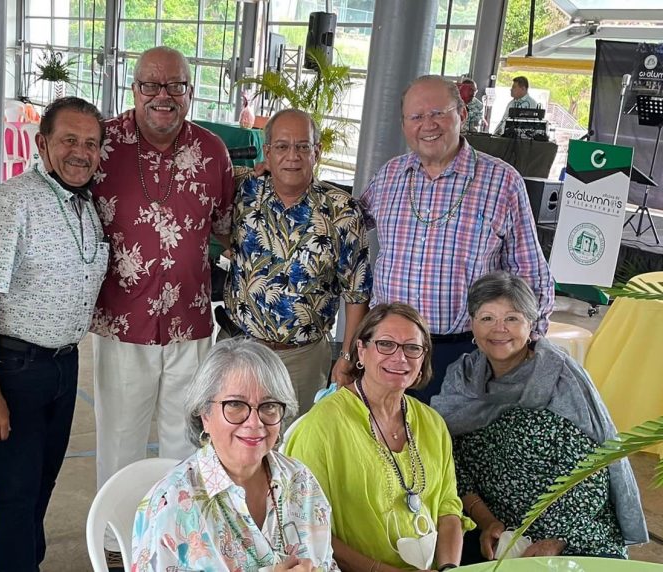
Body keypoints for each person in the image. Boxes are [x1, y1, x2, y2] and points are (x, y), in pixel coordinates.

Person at [90, 45, 234, 566]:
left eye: (174, 85)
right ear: (134, 89)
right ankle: (114, 545)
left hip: (192, 322)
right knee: (120, 439)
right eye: (151, 84)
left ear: (190, 91)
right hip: (120, 319)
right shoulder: (103, 144)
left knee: (186, 442)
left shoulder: (214, 151)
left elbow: (226, 227)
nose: (163, 96)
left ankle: (175, 545)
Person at [0, 96, 109, 571]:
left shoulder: (88, 207)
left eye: (91, 143)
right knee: (17, 497)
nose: (80, 152)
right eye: (69, 140)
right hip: (17, 370)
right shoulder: (10, 204)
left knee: (41, 487)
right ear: (42, 143)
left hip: (65, 366)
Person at [359, 74, 553, 403]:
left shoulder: (502, 181)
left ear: (462, 114)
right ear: (404, 124)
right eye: (416, 117)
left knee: (455, 449)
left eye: (438, 113)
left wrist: (525, 348)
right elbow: (344, 222)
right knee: (382, 444)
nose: (428, 125)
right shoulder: (389, 175)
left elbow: (530, 274)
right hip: (390, 351)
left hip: (464, 353)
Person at [431, 271, 647, 564]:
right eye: (487, 318)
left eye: (512, 318)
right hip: (494, 531)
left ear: (531, 324)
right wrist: (488, 523)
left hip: (571, 530)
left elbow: (591, 473)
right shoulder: (462, 377)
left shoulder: (560, 378)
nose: (499, 329)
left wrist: (555, 540)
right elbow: (451, 464)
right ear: (472, 324)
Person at [287, 303, 472, 572]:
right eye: (386, 344)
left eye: (412, 348)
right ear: (361, 351)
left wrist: (447, 569)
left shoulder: (432, 423)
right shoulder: (322, 426)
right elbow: (306, 527)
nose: (400, 358)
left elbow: (449, 508)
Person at [132, 337, 339, 572]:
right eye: (235, 405)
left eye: (269, 405)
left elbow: (327, 565)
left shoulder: (300, 481)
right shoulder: (171, 506)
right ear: (205, 415)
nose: (254, 422)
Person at [222, 108, 371, 411]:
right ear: (267, 152)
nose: (293, 155)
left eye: (303, 146)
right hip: (239, 348)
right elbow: (217, 226)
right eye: (282, 146)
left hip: (301, 358)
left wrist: (346, 357)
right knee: (234, 438)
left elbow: (357, 293)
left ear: (317, 151)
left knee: (292, 446)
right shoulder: (245, 192)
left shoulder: (342, 211)